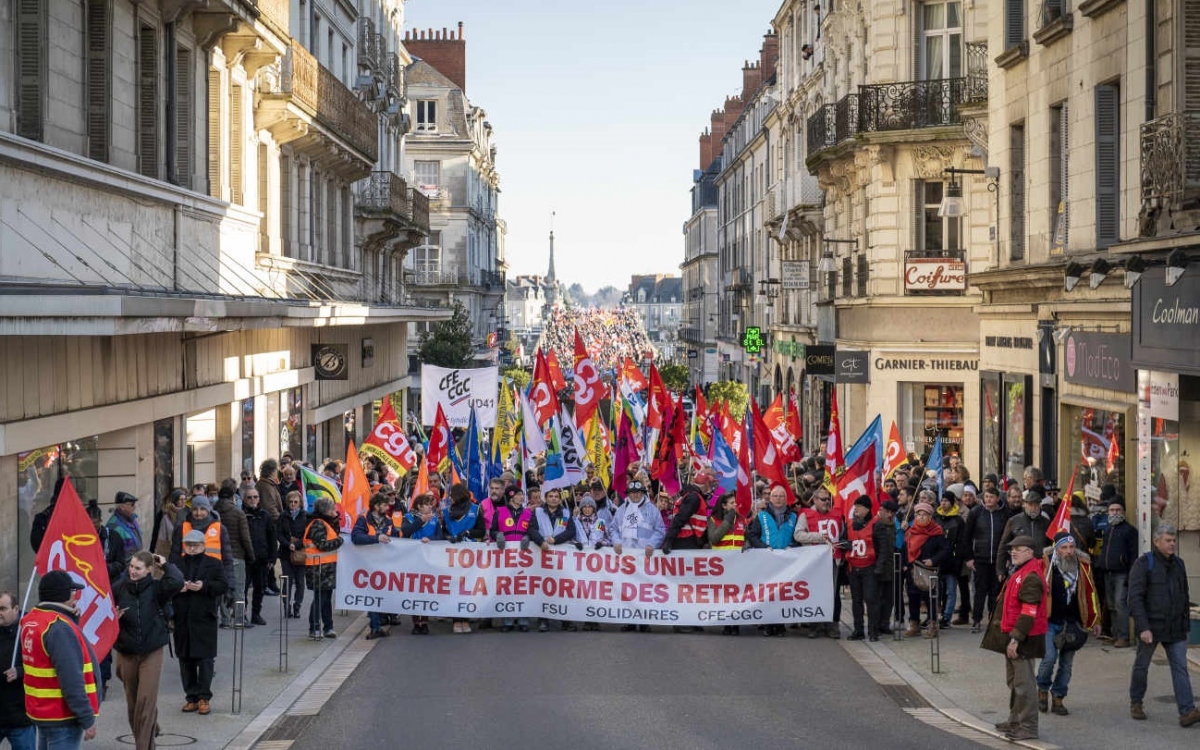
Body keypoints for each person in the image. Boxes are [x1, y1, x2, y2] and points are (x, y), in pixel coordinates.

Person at [1127, 525, 1200, 726]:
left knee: (1180, 668)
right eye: (1168, 540)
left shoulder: (1179, 564)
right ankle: (1136, 702)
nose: (1172, 544)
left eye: (1173, 540)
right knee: (1142, 666)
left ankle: (1187, 712)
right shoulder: (1144, 564)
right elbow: (1135, 598)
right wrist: (1143, 627)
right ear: (1156, 542)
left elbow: (1184, 596)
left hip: (1175, 628)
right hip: (1152, 627)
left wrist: (1185, 626)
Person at [112, 551, 183, 750]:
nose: (132, 571)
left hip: (152, 651)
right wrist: (113, 618)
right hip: (127, 650)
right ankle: (153, 723)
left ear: (149, 570)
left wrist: (165, 564)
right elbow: (104, 612)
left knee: (145, 701)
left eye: (138, 568)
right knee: (134, 704)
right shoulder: (119, 588)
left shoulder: (157, 588)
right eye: (131, 567)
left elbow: (177, 581)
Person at [20, 571, 100, 746]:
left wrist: (70, 619)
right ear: (63, 594)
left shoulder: (32, 620)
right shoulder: (59, 628)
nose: (75, 597)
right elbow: (71, 679)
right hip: (62, 715)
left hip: (43, 712)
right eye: (73, 592)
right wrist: (87, 718)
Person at [1035, 532, 1099, 717]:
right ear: (1056, 549)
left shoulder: (1083, 566)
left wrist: (1096, 620)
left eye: (1071, 547)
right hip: (1050, 621)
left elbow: (1091, 592)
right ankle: (1042, 688)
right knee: (1048, 659)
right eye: (1064, 548)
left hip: (1073, 624)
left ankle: (1058, 697)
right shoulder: (1045, 565)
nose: (1069, 551)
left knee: (1066, 664)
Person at [994, 535, 1048, 741]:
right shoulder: (1020, 572)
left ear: (1030, 552)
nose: (1013, 552)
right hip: (1015, 635)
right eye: (1012, 549)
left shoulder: (1031, 576)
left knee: (1024, 685)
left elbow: (1029, 612)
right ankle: (1015, 720)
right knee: (1015, 682)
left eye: (1019, 548)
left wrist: (1016, 639)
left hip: (1025, 639)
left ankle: (1028, 726)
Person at [173, 530, 227, 716]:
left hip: (204, 617)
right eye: (188, 545)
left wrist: (204, 586)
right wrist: (178, 588)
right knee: (185, 659)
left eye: (195, 545)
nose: (192, 548)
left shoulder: (214, 563)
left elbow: (222, 585)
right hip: (182, 617)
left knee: (205, 660)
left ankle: (204, 697)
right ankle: (191, 697)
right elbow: (165, 585)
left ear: (203, 546)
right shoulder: (177, 563)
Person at [610, 481, 665, 633]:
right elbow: (613, 529)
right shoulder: (621, 510)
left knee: (644, 589)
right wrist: (616, 542)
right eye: (633, 493)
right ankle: (629, 620)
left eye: (638, 493)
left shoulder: (652, 510)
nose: (635, 495)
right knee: (628, 588)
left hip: (643, 557)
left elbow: (660, 530)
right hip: (626, 557)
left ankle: (644, 621)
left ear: (643, 493)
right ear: (628, 494)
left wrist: (652, 544)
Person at [746, 484, 797, 637]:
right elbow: (752, 535)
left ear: (786, 499)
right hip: (767, 560)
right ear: (770, 498)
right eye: (775, 496)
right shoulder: (761, 516)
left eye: (781, 496)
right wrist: (763, 547)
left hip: (786, 561)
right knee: (768, 593)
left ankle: (780, 625)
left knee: (782, 593)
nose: (778, 499)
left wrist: (792, 546)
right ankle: (768, 624)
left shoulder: (793, 516)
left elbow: (798, 536)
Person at [351, 493, 400, 639]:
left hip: (385, 563)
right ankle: (375, 626)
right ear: (376, 505)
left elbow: (399, 536)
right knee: (372, 594)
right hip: (368, 564)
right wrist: (376, 538)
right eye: (385, 505)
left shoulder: (388, 521)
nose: (387, 507)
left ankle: (379, 623)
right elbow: (356, 537)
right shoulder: (364, 519)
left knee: (381, 594)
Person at [796, 489, 843, 639]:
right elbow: (798, 535)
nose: (826, 502)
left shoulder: (836, 515)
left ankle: (833, 625)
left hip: (833, 560)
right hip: (814, 561)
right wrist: (818, 537)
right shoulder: (806, 515)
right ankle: (815, 625)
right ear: (814, 500)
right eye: (823, 499)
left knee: (833, 594)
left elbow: (841, 534)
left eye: (828, 499)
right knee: (815, 592)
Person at [529, 487, 576, 632]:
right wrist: (541, 542)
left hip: (561, 557)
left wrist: (556, 540)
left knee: (562, 588)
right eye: (551, 496)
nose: (554, 498)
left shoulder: (566, 514)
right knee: (545, 588)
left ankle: (565, 620)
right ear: (546, 498)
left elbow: (571, 531)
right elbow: (531, 529)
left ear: (560, 499)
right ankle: (543, 619)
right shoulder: (537, 512)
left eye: (556, 496)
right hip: (542, 554)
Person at [443, 483, 487, 634]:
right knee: (454, 587)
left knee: (468, 587)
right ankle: (456, 619)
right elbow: (442, 532)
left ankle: (466, 618)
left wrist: (468, 532)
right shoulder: (446, 511)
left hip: (471, 555)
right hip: (452, 555)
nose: (450, 498)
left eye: (452, 495)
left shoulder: (475, 509)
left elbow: (481, 531)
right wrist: (448, 537)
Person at [963, 485, 1007, 633]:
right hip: (980, 558)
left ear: (998, 499)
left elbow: (1007, 538)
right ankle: (976, 620)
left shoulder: (1004, 514)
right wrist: (969, 557)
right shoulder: (976, 513)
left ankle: (993, 619)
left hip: (997, 559)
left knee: (996, 591)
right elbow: (967, 537)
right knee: (980, 591)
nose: (989, 500)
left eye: (992, 497)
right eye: (986, 497)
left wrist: (1006, 558)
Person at [1096, 496, 1137, 648]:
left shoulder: (1129, 531)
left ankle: (1123, 637)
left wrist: (1131, 575)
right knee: (1112, 605)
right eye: (1112, 510)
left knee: (1120, 605)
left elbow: (1134, 555)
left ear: (1123, 511)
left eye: (1118, 510)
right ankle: (1115, 634)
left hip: (1122, 574)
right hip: (1108, 573)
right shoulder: (1108, 530)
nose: (1114, 513)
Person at [903, 502, 948, 639]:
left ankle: (932, 625)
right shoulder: (911, 532)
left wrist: (933, 560)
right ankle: (915, 624)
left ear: (930, 517)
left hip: (929, 570)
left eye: (924, 515)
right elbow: (905, 549)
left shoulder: (936, 532)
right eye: (919, 515)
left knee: (930, 599)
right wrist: (905, 564)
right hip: (913, 570)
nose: (921, 518)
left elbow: (945, 550)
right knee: (913, 597)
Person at [304, 498, 344, 640]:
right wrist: (339, 541)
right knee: (320, 599)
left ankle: (328, 627)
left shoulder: (325, 523)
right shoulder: (318, 524)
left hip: (325, 568)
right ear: (326, 510)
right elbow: (322, 545)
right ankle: (314, 627)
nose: (335, 511)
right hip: (318, 567)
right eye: (333, 509)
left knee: (326, 599)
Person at [214, 486, 254, 629]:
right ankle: (239, 619)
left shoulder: (213, 512)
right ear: (233, 498)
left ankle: (225, 619)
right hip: (237, 555)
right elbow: (245, 538)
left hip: (218, 556)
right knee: (238, 589)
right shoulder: (238, 513)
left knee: (224, 588)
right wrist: (251, 555)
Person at [843, 496, 882, 642]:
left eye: (859, 506)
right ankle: (858, 630)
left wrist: (879, 567)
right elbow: (843, 541)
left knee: (871, 600)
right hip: (854, 568)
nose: (856, 509)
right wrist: (845, 544)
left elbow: (882, 547)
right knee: (856, 601)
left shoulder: (876, 524)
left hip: (869, 568)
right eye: (855, 506)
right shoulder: (850, 524)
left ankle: (873, 631)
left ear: (867, 509)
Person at [400, 494, 441, 634]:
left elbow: (440, 537)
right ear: (419, 506)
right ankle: (416, 622)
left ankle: (424, 621)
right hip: (412, 558)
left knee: (426, 590)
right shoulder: (409, 517)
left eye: (431, 504)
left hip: (429, 558)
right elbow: (405, 532)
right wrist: (420, 520)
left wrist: (429, 539)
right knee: (414, 590)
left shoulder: (435, 520)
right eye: (426, 504)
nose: (430, 506)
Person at [0, 591, 33, 750]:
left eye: (3, 609)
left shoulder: (28, 633)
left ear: (16, 609)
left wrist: (19, 671)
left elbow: (42, 665)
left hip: (20, 718)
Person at [241, 488, 275, 627]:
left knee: (259, 587)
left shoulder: (265, 516)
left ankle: (256, 614)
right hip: (246, 558)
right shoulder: (241, 515)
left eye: (255, 497)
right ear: (244, 499)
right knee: (243, 588)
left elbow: (272, 537)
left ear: (259, 499)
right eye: (249, 497)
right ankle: (243, 614)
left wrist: (272, 558)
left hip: (262, 557)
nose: (253, 500)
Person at [933, 490, 966, 629]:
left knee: (951, 591)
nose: (943, 503)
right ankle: (934, 616)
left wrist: (958, 559)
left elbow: (961, 542)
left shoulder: (958, 520)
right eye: (942, 500)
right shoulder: (936, 517)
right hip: (937, 560)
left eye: (946, 500)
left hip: (952, 561)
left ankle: (947, 617)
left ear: (952, 502)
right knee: (936, 591)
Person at [663, 468, 715, 552]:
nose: (710, 488)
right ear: (706, 484)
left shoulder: (691, 495)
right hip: (686, 540)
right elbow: (680, 518)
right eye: (710, 485)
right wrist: (669, 540)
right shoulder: (693, 498)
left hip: (689, 539)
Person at [276, 491, 308, 619]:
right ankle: (286, 606)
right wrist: (287, 544)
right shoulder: (283, 516)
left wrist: (298, 544)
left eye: (295, 502)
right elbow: (278, 533)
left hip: (300, 553)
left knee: (300, 582)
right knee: (287, 581)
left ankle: (297, 606)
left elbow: (307, 535)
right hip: (286, 553)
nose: (293, 504)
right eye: (290, 502)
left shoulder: (305, 516)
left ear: (300, 503)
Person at [106, 492, 145, 579]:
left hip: (135, 570)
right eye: (132, 504)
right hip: (124, 574)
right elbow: (112, 555)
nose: (134, 507)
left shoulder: (132, 519)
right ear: (122, 507)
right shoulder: (113, 525)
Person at [875, 500, 899, 635]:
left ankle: (885, 623)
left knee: (889, 598)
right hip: (880, 566)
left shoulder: (894, 526)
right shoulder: (877, 525)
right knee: (878, 598)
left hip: (892, 566)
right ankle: (877, 624)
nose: (890, 515)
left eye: (892, 513)